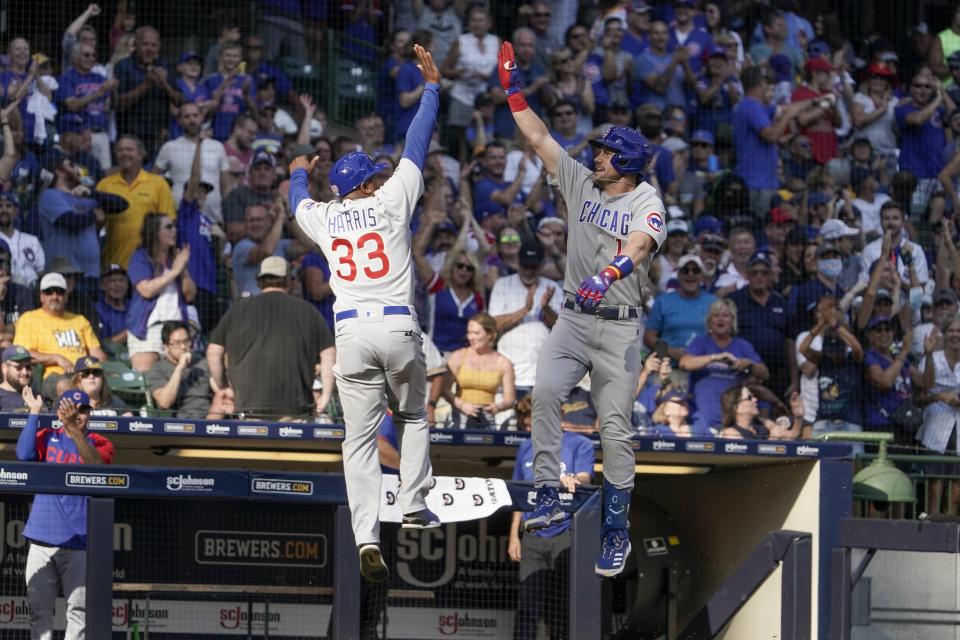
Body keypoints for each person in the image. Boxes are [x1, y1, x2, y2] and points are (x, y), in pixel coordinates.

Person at [498, 40, 666, 577]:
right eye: (596, 149)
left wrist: (611, 273)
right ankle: (547, 493)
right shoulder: (580, 180)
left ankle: (616, 529)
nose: (595, 155)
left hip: (618, 326)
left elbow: (638, 245)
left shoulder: (647, 201)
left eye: (605, 152)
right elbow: (541, 137)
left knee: (615, 430)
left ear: (628, 164)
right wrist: (513, 92)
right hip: (572, 317)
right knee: (544, 393)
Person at [287, 44, 442, 583]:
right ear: (368, 185)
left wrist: (297, 172)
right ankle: (416, 504)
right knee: (415, 416)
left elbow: (295, 201)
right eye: (374, 174)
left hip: (350, 332)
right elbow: (417, 144)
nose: (380, 176)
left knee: (356, 441)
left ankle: (365, 536)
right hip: (399, 324)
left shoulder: (327, 217)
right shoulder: (394, 197)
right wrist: (433, 91)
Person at [16, 387, 114, 640]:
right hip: (41, 539)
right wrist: (35, 412)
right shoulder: (47, 436)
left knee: (79, 612)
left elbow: (96, 466)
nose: (79, 415)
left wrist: (72, 430)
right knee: (39, 612)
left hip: (79, 543)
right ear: (61, 412)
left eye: (83, 411)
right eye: (73, 410)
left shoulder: (100, 442)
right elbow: (23, 455)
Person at [207, 256, 335, 419]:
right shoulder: (308, 311)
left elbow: (213, 352)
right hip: (295, 410)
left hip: (249, 409)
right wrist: (325, 396)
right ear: (289, 280)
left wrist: (223, 387)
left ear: (259, 280)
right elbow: (329, 352)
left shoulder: (238, 310)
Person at [509, 419, 593, 640]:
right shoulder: (526, 446)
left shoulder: (579, 443)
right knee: (528, 603)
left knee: (563, 604)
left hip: (565, 534)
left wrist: (573, 478)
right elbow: (518, 495)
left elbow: (586, 476)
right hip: (532, 535)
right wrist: (513, 537)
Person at [679, 298, 769, 433]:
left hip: (733, 421)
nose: (721, 319)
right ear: (709, 321)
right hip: (702, 418)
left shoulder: (742, 345)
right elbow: (684, 364)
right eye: (716, 315)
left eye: (725, 315)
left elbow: (765, 374)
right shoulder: (701, 342)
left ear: (733, 321)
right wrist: (714, 357)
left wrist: (748, 364)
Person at [14, 272, 107, 400]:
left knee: (98, 385)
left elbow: (97, 353)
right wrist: (56, 358)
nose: (55, 296)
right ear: (41, 296)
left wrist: (100, 368)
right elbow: (22, 353)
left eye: (60, 292)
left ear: (66, 296)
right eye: (49, 292)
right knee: (65, 387)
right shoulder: (29, 319)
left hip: (84, 374)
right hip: (54, 376)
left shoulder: (80, 320)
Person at [488, 240, 563, 397]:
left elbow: (562, 328)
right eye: (525, 266)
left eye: (533, 267)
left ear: (542, 265)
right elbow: (492, 325)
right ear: (517, 263)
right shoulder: (502, 285)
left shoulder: (552, 287)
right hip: (509, 369)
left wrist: (546, 307)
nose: (529, 271)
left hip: (543, 372)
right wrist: (525, 310)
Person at [126, 213, 195, 372]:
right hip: (149, 329)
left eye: (175, 226)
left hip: (176, 328)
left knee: (181, 378)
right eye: (169, 227)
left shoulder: (176, 260)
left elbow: (190, 295)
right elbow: (146, 290)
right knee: (148, 380)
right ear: (154, 232)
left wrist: (182, 268)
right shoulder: (140, 257)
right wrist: (174, 271)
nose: (174, 231)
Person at [95, 135, 176, 268]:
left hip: (149, 264)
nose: (124, 153)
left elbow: (168, 224)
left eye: (129, 149)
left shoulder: (158, 183)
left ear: (141, 154)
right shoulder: (104, 185)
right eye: (120, 150)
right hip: (114, 264)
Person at [728, 250, 792, 397]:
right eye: (755, 272)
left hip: (779, 376)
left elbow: (790, 343)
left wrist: (794, 381)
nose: (759, 276)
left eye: (764, 272)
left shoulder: (782, 302)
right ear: (747, 274)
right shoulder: (734, 301)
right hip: (744, 374)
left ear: (770, 275)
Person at [153, 102, 230, 223]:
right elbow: (154, 180)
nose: (192, 120)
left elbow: (226, 186)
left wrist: (228, 215)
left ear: (202, 118)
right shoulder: (169, 147)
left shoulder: (218, 146)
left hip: (214, 219)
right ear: (179, 120)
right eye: (187, 116)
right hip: (181, 218)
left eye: (195, 115)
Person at [112, 26, 183, 154]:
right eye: (145, 44)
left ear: (158, 47)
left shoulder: (164, 65)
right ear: (136, 44)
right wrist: (146, 85)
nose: (150, 49)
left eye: (153, 45)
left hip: (158, 137)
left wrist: (165, 84)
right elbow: (118, 103)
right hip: (130, 136)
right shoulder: (123, 66)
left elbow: (180, 101)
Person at [441, 313, 516, 429]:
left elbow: (510, 399)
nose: (471, 337)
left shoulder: (503, 362)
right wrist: (462, 405)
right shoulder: (458, 356)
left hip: (487, 418)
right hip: (460, 416)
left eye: (476, 333)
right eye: (469, 332)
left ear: (490, 334)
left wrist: (497, 407)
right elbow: (444, 389)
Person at [644, 254, 716, 365]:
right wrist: (668, 351)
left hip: (704, 367)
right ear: (677, 274)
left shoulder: (713, 302)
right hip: (669, 368)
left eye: (695, 270)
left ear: (702, 275)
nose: (690, 274)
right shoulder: (663, 302)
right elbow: (649, 337)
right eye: (685, 270)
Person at [147, 320, 215, 418]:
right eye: (177, 343)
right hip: (180, 421)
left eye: (186, 341)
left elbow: (220, 390)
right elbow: (164, 403)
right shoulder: (158, 369)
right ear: (166, 347)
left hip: (210, 417)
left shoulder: (203, 362)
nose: (183, 347)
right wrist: (179, 368)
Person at [719, 384, 804, 439]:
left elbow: (791, 435)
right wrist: (773, 440)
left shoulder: (763, 422)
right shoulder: (730, 433)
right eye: (749, 398)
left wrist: (798, 417)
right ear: (737, 408)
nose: (755, 399)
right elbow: (747, 460)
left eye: (753, 396)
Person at [0, 192, 45, 288]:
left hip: (30, 292)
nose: (4, 210)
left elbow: (41, 271)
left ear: (15, 211)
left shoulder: (32, 240)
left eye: (8, 206)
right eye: (0, 206)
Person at [96, 263, 128, 345]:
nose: (118, 284)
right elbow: (103, 345)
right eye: (112, 281)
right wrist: (130, 332)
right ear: (102, 285)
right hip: (111, 356)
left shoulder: (135, 306)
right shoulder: (96, 310)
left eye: (121, 280)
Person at [0, 344, 35, 411]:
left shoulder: (36, 398)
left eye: (28, 367)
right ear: (4, 368)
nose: (25, 372)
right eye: (18, 367)